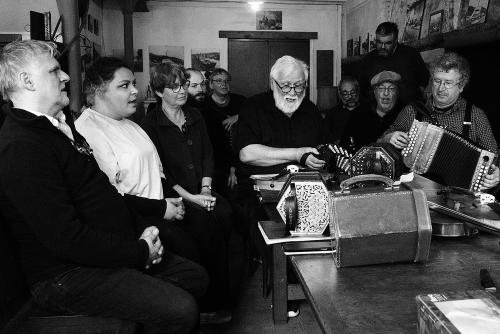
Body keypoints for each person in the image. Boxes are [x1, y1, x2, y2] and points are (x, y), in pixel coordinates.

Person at [0, 40, 208, 334]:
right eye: (54, 70)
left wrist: (143, 231)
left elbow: (105, 194)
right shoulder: (21, 145)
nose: (66, 77)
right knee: (182, 310)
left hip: (105, 248)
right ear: (26, 80)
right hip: (65, 274)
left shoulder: (59, 126)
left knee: (194, 276)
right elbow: (65, 238)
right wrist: (138, 252)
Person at [141, 61, 238, 320]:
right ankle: (210, 305)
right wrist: (193, 198)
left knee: (226, 213)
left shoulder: (195, 115)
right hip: (176, 195)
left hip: (201, 189)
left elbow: (208, 153)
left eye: (183, 84)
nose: (182, 90)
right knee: (207, 228)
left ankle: (225, 295)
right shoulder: (150, 124)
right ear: (160, 92)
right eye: (174, 87)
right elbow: (161, 173)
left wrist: (206, 188)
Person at [235, 55, 328, 267]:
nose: (293, 93)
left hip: (304, 186)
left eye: (299, 86)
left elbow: (321, 147)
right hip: (261, 190)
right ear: (272, 83)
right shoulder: (253, 107)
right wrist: (297, 154)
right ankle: (284, 278)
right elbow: (247, 154)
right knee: (280, 227)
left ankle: (309, 275)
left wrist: (319, 158)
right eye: (286, 86)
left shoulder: (311, 110)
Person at [380, 52, 499, 190]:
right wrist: (389, 138)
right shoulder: (412, 111)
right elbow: (380, 143)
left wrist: (497, 174)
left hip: (459, 196)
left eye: (448, 83)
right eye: (437, 81)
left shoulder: (475, 116)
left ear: (461, 86)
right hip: (416, 191)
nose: (441, 88)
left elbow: (494, 156)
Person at [186, 68, 239, 197]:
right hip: (188, 178)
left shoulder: (209, 110)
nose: (200, 89)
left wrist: (232, 168)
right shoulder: (178, 113)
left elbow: (222, 144)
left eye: (202, 84)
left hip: (216, 171)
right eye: (194, 85)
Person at [358, 22, 429, 105]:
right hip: (380, 113)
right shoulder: (368, 60)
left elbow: (424, 81)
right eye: (379, 42)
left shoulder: (411, 54)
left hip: (409, 110)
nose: (383, 47)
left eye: (388, 43)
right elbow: (363, 89)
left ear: (395, 41)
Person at [341, 70, 403, 150]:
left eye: (391, 88)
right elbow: (345, 145)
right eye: (381, 88)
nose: (386, 93)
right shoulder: (359, 114)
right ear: (374, 92)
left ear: (397, 92)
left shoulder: (405, 113)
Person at [325, 76, 369, 143]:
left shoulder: (368, 111)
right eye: (345, 93)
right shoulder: (332, 114)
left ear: (358, 91)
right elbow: (326, 139)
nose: (350, 97)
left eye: (352, 92)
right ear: (340, 94)